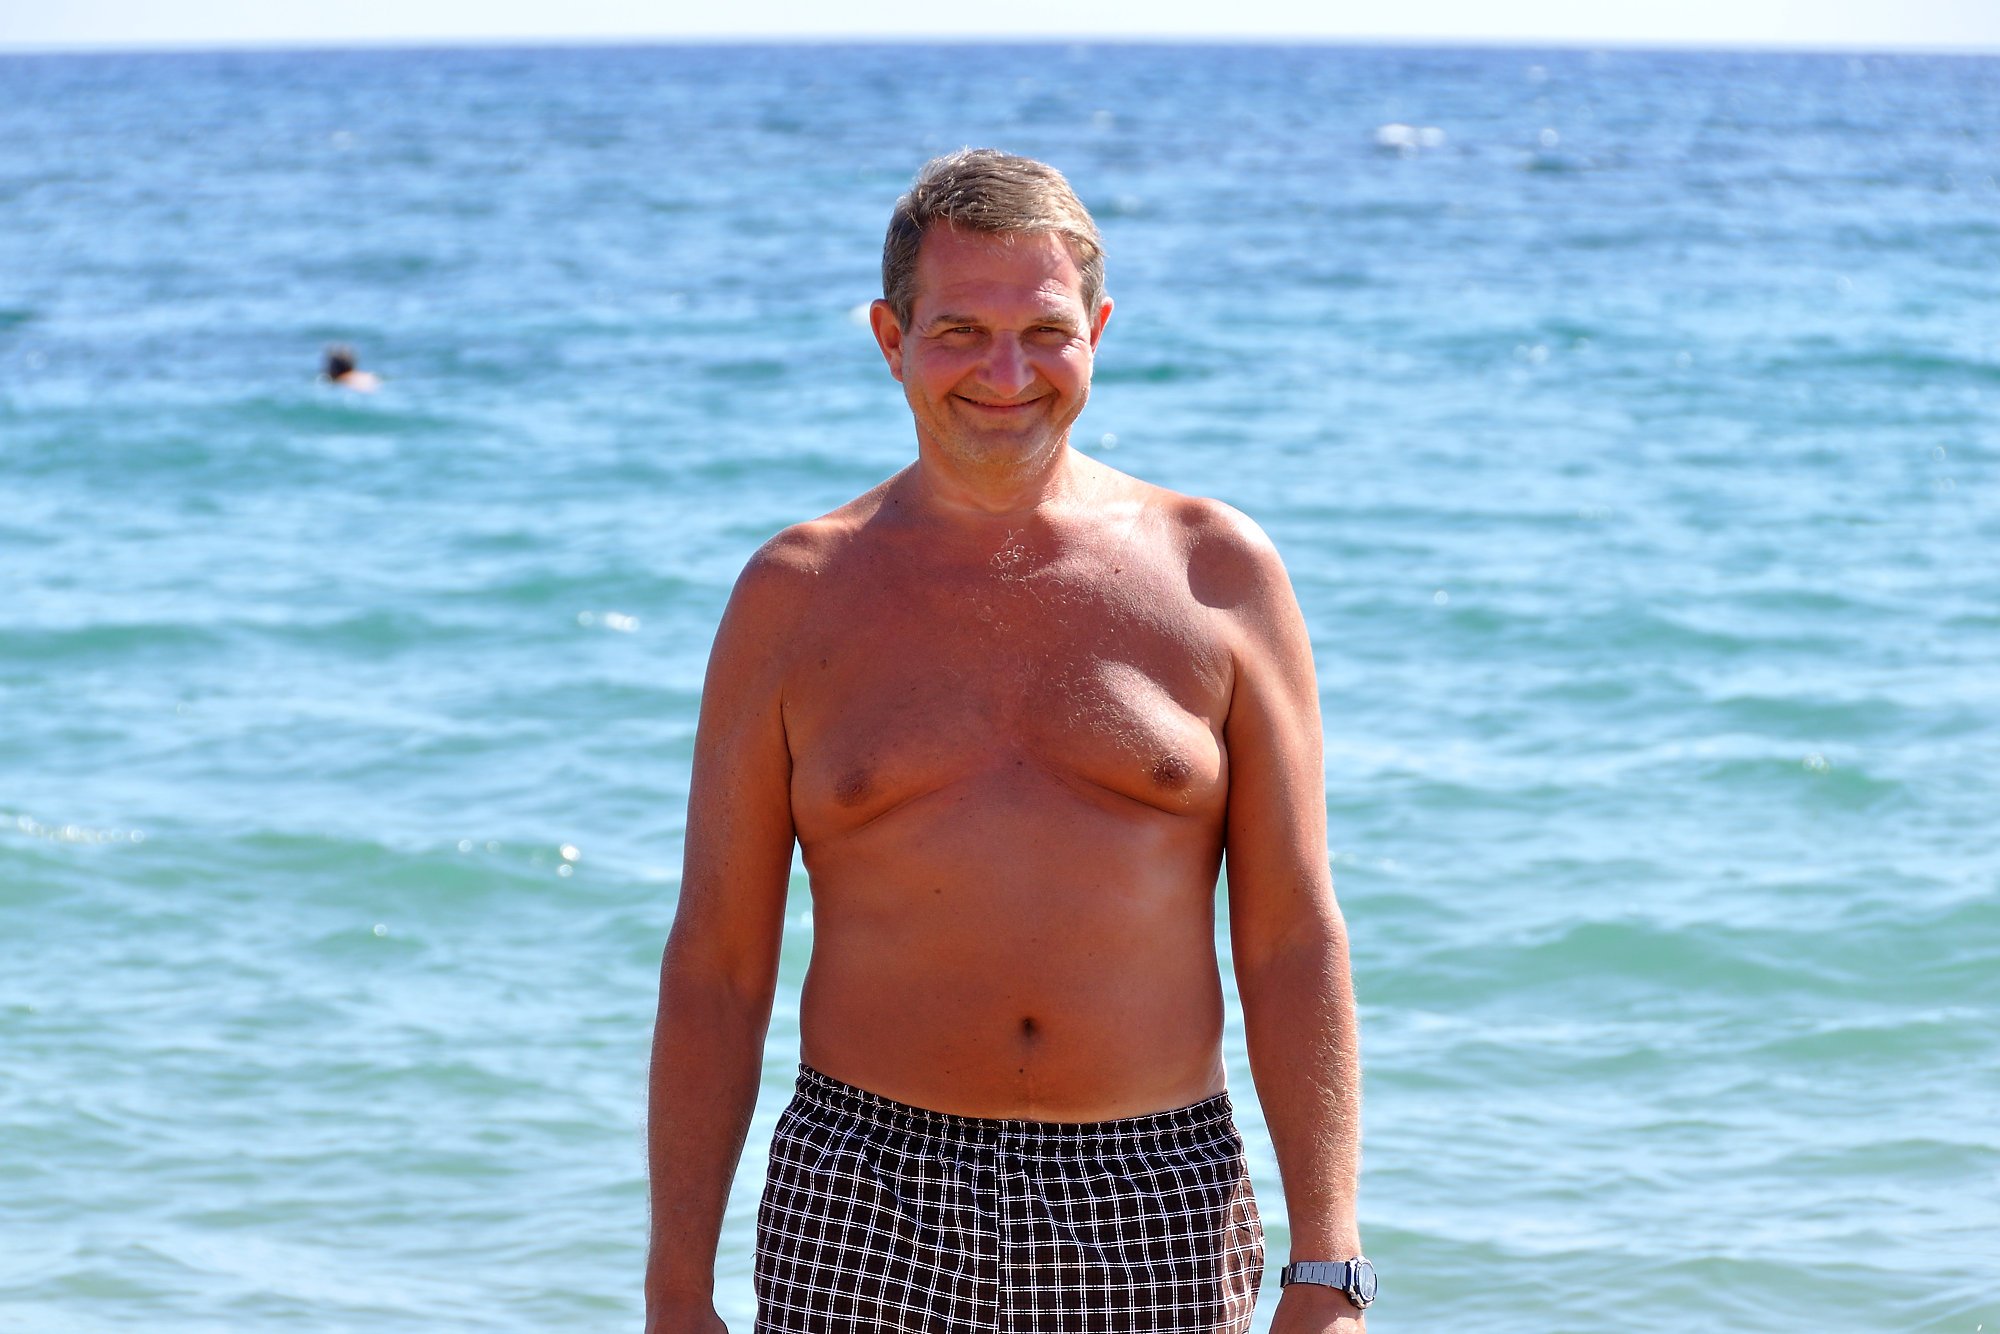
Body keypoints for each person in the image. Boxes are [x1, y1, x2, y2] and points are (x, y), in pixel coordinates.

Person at [646, 149, 1369, 1333]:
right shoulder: (794, 595)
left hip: (1152, 1191)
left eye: (1043, 332)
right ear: (890, 338)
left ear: (1098, 331)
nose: (1005, 373)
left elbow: (1292, 934)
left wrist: (1328, 1264)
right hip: (862, 1187)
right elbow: (717, 962)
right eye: (959, 332)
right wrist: (675, 1286)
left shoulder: (1217, 573)